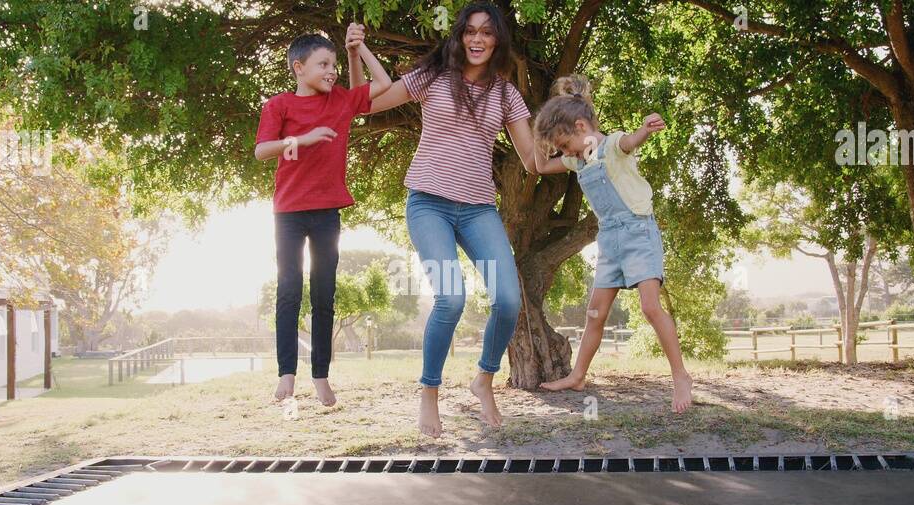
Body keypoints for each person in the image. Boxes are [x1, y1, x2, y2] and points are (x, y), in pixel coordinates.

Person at [365, 2, 539, 437]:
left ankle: (484, 377)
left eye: (486, 32)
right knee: (451, 299)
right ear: (459, 36)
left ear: (497, 40)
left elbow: (533, 161)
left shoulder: (506, 94)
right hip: (429, 204)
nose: (477, 39)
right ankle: (430, 393)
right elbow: (371, 103)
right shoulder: (434, 76)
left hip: (479, 208)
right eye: (470, 31)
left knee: (508, 299)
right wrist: (358, 53)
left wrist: (580, 145)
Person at [532, 74, 693, 414]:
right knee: (595, 314)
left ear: (580, 126)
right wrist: (532, 133)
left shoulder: (612, 145)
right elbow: (540, 166)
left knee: (650, 307)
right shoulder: (578, 161)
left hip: (638, 234)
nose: (563, 152)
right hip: (609, 240)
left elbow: (631, 141)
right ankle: (577, 376)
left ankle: (680, 376)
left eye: (564, 144)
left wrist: (647, 130)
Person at [254, 24, 390, 406]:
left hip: (327, 211)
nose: (331, 71)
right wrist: (302, 139)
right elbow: (262, 150)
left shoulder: (341, 101)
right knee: (289, 292)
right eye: (323, 64)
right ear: (298, 68)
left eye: (333, 64)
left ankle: (321, 376)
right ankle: (286, 375)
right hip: (288, 213)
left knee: (324, 294)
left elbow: (382, 81)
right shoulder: (278, 105)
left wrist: (357, 49)